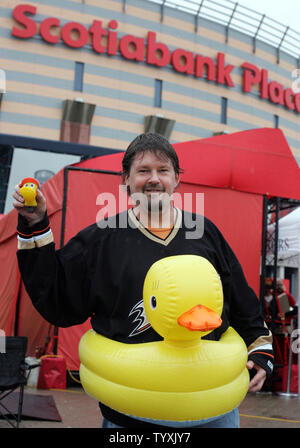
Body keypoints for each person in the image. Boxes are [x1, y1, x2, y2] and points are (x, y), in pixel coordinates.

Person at [13, 133, 273, 428]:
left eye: (163, 170)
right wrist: (35, 225)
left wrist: (260, 350)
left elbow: (240, 299)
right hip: (131, 415)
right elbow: (58, 298)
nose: (154, 179)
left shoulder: (205, 233)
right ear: (125, 180)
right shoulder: (101, 239)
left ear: (177, 179)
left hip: (214, 412)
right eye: (143, 171)